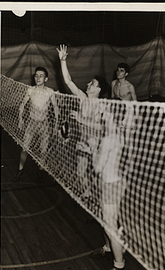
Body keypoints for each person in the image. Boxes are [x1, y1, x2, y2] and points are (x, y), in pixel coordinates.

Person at [80, 103, 127, 270]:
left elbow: (98, 167)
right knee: (104, 219)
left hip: (110, 184)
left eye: (105, 112)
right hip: (114, 181)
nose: (101, 113)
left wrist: (91, 149)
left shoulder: (109, 138)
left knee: (110, 226)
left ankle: (119, 268)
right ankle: (108, 249)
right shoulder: (115, 135)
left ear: (111, 116)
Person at [56, 44, 109, 199]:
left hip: (95, 143)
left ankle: (101, 200)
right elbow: (68, 81)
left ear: (98, 89)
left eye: (92, 83)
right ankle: (87, 196)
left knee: (97, 174)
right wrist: (63, 61)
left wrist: (81, 119)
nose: (88, 84)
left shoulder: (102, 106)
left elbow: (101, 127)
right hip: (82, 140)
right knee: (80, 172)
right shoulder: (82, 98)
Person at [14, 67, 59, 181]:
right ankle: (20, 170)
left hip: (44, 124)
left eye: (41, 76)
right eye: (36, 76)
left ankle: (40, 170)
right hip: (32, 122)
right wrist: (20, 119)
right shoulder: (30, 90)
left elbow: (55, 108)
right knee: (25, 148)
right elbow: (22, 104)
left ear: (46, 79)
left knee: (43, 150)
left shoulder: (50, 92)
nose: (38, 78)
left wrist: (56, 124)